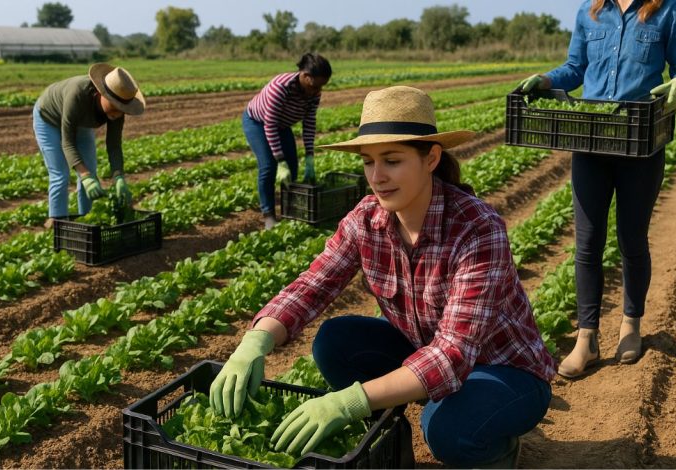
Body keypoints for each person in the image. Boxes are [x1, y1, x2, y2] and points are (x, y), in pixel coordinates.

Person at [210, 86, 556, 468]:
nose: (378, 176)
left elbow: (453, 353)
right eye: (368, 162)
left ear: (431, 159)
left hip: (503, 369)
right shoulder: (366, 219)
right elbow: (313, 285)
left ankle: (498, 450)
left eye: (392, 160)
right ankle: (390, 440)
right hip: (423, 349)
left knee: (447, 430)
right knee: (335, 341)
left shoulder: (477, 229)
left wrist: (349, 401)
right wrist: (256, 340)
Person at [518, 0, 676, 378]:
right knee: (587, 243)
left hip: (641, 140)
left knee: (632, 240)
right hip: (591, 140)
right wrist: (548, 80)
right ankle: (586, 338)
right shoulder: (591, 9)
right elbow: (575, 68)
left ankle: (630, 325)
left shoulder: (669, 9)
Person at [33, 63, 144, 223]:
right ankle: (56, 220)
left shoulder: (117, 111)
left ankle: (87, 219)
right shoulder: (78, 94)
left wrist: (118, 176)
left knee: (91, 172)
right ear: (102, 94)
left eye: (122, 108)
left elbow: (114, 145)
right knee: (61, 174)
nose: (117, 112)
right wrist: (84, 175)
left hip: (81, 122)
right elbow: (68, 141)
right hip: (48, 119)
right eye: (114, 105)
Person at [242, 52, 332, 230]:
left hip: (282, 126)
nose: (317, 91)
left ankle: (290, 210)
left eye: (322, 86)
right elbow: (270, 124)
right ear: (305, 76)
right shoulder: (280, 87)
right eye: (315, 85)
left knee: (293, 166)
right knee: (269, 166)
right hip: (258, 123)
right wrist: (279, 160)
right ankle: (268, 215)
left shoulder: (314, 92)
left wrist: (309, 157)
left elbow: (309, 123)